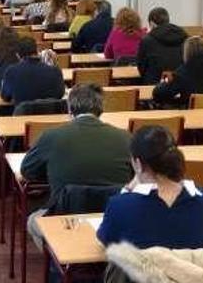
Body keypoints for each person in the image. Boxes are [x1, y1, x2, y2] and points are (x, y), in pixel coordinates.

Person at [22, 84, 133, 239]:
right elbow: (136, 177)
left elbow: (27, 171)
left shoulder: (52, 136)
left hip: (65, 215)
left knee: (33, 222)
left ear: (69, 109)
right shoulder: (126, 137)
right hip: (115, 214)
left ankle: (58, 257)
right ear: (101, 109)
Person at [98, 125, 203, 249]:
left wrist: (128, 189)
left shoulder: (120, 205)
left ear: (138, 164)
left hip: (141, 268)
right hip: (189, 268)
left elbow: (106, 239)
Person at [152, 36, 203, 108]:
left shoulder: (183, 72)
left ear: (186, 52)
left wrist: (165, 82)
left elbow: (158, 95)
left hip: (192, 116)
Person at [0, 37, 65, 107]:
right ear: (36, 51)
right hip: (51, 115)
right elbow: (60, 94)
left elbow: (5, 97)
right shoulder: (55, 71)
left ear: (17, 55)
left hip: (22, 116)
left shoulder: (11, 72)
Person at [136, 7, 188, 84]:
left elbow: (141, 67)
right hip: (180, 84)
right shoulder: (184, 36)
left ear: (152, 24)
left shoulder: (147, 40)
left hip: (154, 85)